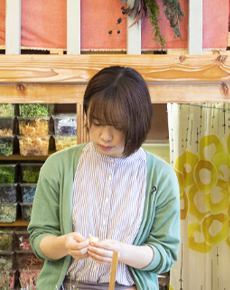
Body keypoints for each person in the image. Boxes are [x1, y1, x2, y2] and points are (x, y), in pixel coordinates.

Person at [29, 66, 181, 290]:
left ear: (137, 122)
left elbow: (165, 253)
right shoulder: (58, 166)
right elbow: (38, 238)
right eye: (97, 122)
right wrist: (63, 244)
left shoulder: (161, 176)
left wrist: (122, 252)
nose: (104, 136)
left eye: (117, 126)